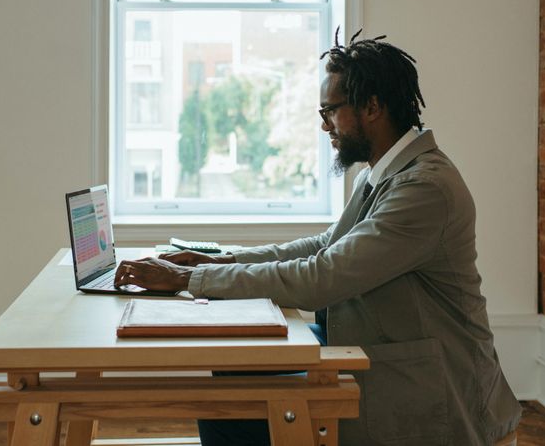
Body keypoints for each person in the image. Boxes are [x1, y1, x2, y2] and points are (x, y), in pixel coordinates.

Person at [115, 30, 522, 445]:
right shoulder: (381, 174)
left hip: (433, 391)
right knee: (231, 378)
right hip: (374, 349)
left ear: (373, 107)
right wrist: (218, 262)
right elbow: (323, 246)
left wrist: (187, 281)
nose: (325, 125)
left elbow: (321, 277)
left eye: (330, 111)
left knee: (228, 406)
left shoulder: (424, 189)